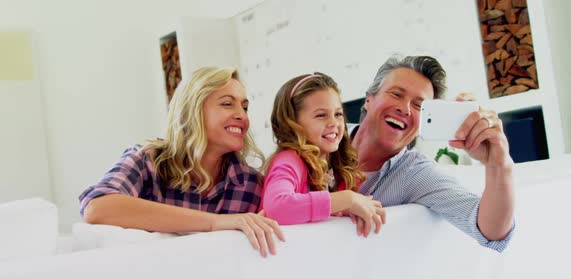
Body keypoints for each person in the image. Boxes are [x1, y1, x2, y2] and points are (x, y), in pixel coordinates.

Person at [79, 67, 285, 257]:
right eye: (227, 104)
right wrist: (216, 222)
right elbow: (97, 208)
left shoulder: (252, 185)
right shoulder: (148, 160)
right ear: (192, 110)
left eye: (245, 107)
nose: (242, 115)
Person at [351, 55, 515, 252]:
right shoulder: (319, 137)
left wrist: (498, 162)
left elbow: (492, 231)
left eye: (419, 106)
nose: (405, 109)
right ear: (369, 100)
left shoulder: (414, 173)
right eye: (396, 94)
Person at [261, 72, 385, 236]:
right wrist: (347, 199)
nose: (333, 123)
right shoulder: (289, 160)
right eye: (321, 115)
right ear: (292, 123)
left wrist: (342, 210)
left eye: (338, 114)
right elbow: (277, 208)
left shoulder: (338, 167)